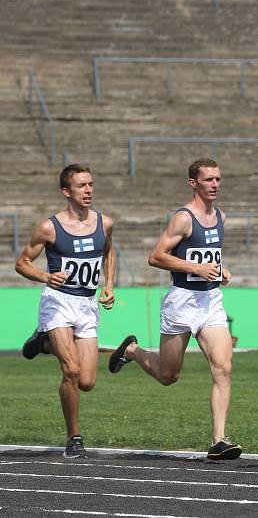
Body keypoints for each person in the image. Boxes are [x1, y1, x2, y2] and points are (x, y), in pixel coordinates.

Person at [108, 158, 241, 461]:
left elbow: (209, 256)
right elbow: (156, 257)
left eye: (218, 179)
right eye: (208, 180)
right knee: (169, 375)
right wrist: (196, 267)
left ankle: (219, 440)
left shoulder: (221, 216)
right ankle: (132, 351)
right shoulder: (183, 218)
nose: (215, 185)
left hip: (210, 301)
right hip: (181, 301)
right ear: (194, 183)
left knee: (223, 367)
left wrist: (222, 270)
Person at [15, 163, 116, 458]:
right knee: (70, 371)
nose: (88, 190)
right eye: (82, 186)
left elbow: (108, 251)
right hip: (58, 301)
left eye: (91, 185)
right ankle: (74, 438)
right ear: (66, 191)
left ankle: (44, 342)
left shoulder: (104, 223)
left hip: (87, 304)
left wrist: (108, 284)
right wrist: (46, 276)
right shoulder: (49, 227)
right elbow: (21, 263)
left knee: (86, 381)